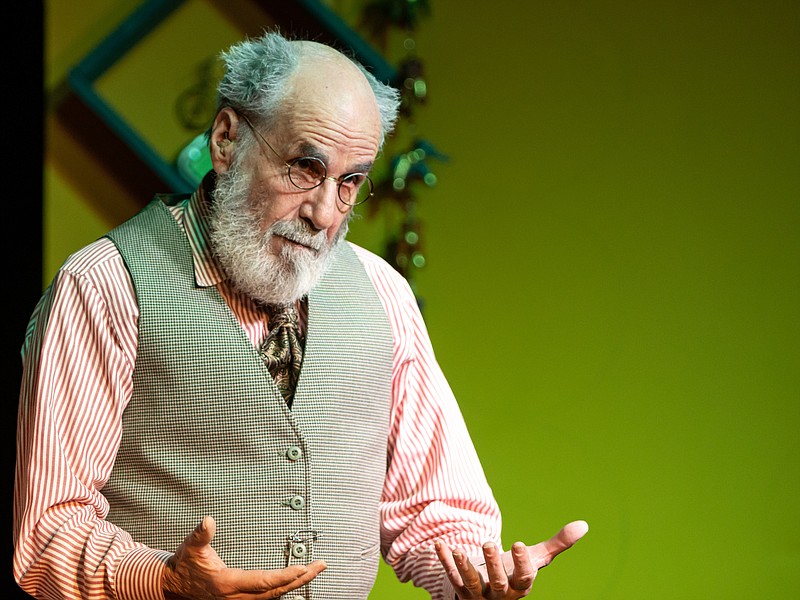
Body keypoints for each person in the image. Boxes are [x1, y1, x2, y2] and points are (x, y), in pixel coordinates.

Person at [13, 30, 588, 600]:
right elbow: (46, 531)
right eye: (305, 167)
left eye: (350, 182)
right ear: (226, 138)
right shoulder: (105, 285)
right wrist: (163, 580)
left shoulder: (381, 293)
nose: (324, 213)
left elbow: (433, 505)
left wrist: (471, 580)